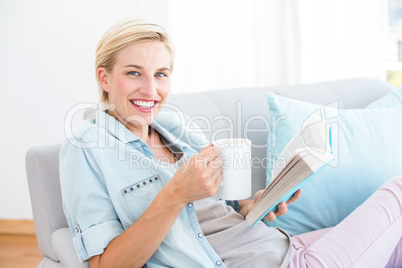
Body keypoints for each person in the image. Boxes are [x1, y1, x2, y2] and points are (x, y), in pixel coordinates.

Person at [60, 18, 402, 268]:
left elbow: (215, 217)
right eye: (134, 73)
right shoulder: (86, 148)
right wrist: (175, 194)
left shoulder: (174, 126)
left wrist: (257, 206)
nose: (151, 90)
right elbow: (105, 265)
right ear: (105, 78)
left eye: (161, 74)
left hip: (282, 246)